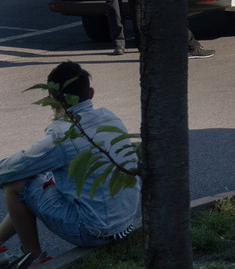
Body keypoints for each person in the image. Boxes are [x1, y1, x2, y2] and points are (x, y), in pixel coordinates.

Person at [0, 62, 139, 268]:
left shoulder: (62, 136)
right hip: (125, 222)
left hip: (94, 231)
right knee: (37, 184)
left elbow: (14, 169)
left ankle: (34, 258)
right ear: (90, 93)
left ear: (51, 98)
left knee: (16, 184)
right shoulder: (109, 117)